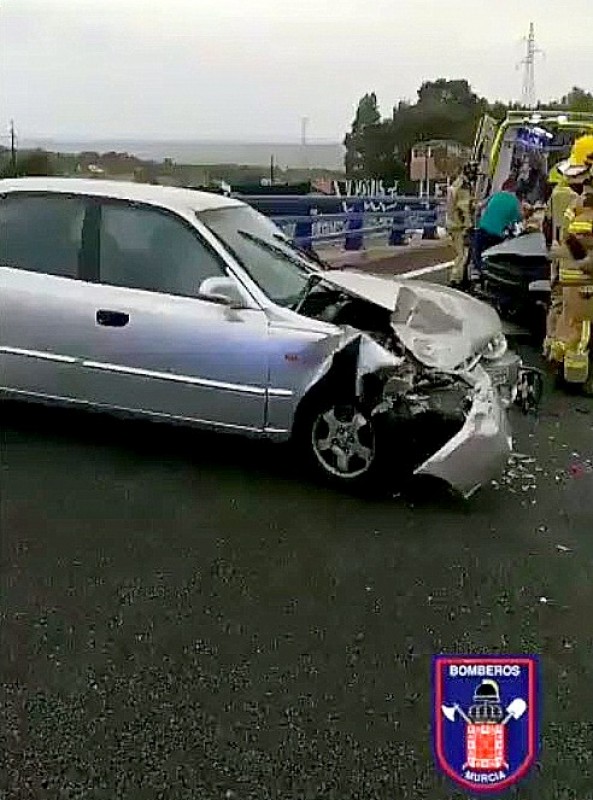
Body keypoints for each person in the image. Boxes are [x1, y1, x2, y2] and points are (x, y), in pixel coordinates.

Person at [545, 135, 593, 392]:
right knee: (581, 331)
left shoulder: (570, 202)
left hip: (568, 273)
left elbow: (560, 236)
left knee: (568, 323)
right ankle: (574, 379)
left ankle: (558, 360)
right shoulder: (585, 206)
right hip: (584, 277)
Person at [471, 178, 524, 279]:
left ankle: (477, 275)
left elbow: (479, 206)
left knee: (478, 255)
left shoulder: (495, 195)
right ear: (514, 190)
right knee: (493, 258)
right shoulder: (515, 202)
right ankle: (489, 277)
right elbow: (518, 218)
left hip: (482, 229)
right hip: (496, 235)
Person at [446, 161, 477, 287]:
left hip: (453, 222)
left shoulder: (457, 183)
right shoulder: (463, 186)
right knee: (463, 253)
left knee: (462, 253)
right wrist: (468, 226)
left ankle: (460, 277)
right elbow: (464, 207)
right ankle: (456, 279)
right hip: (458, 225)